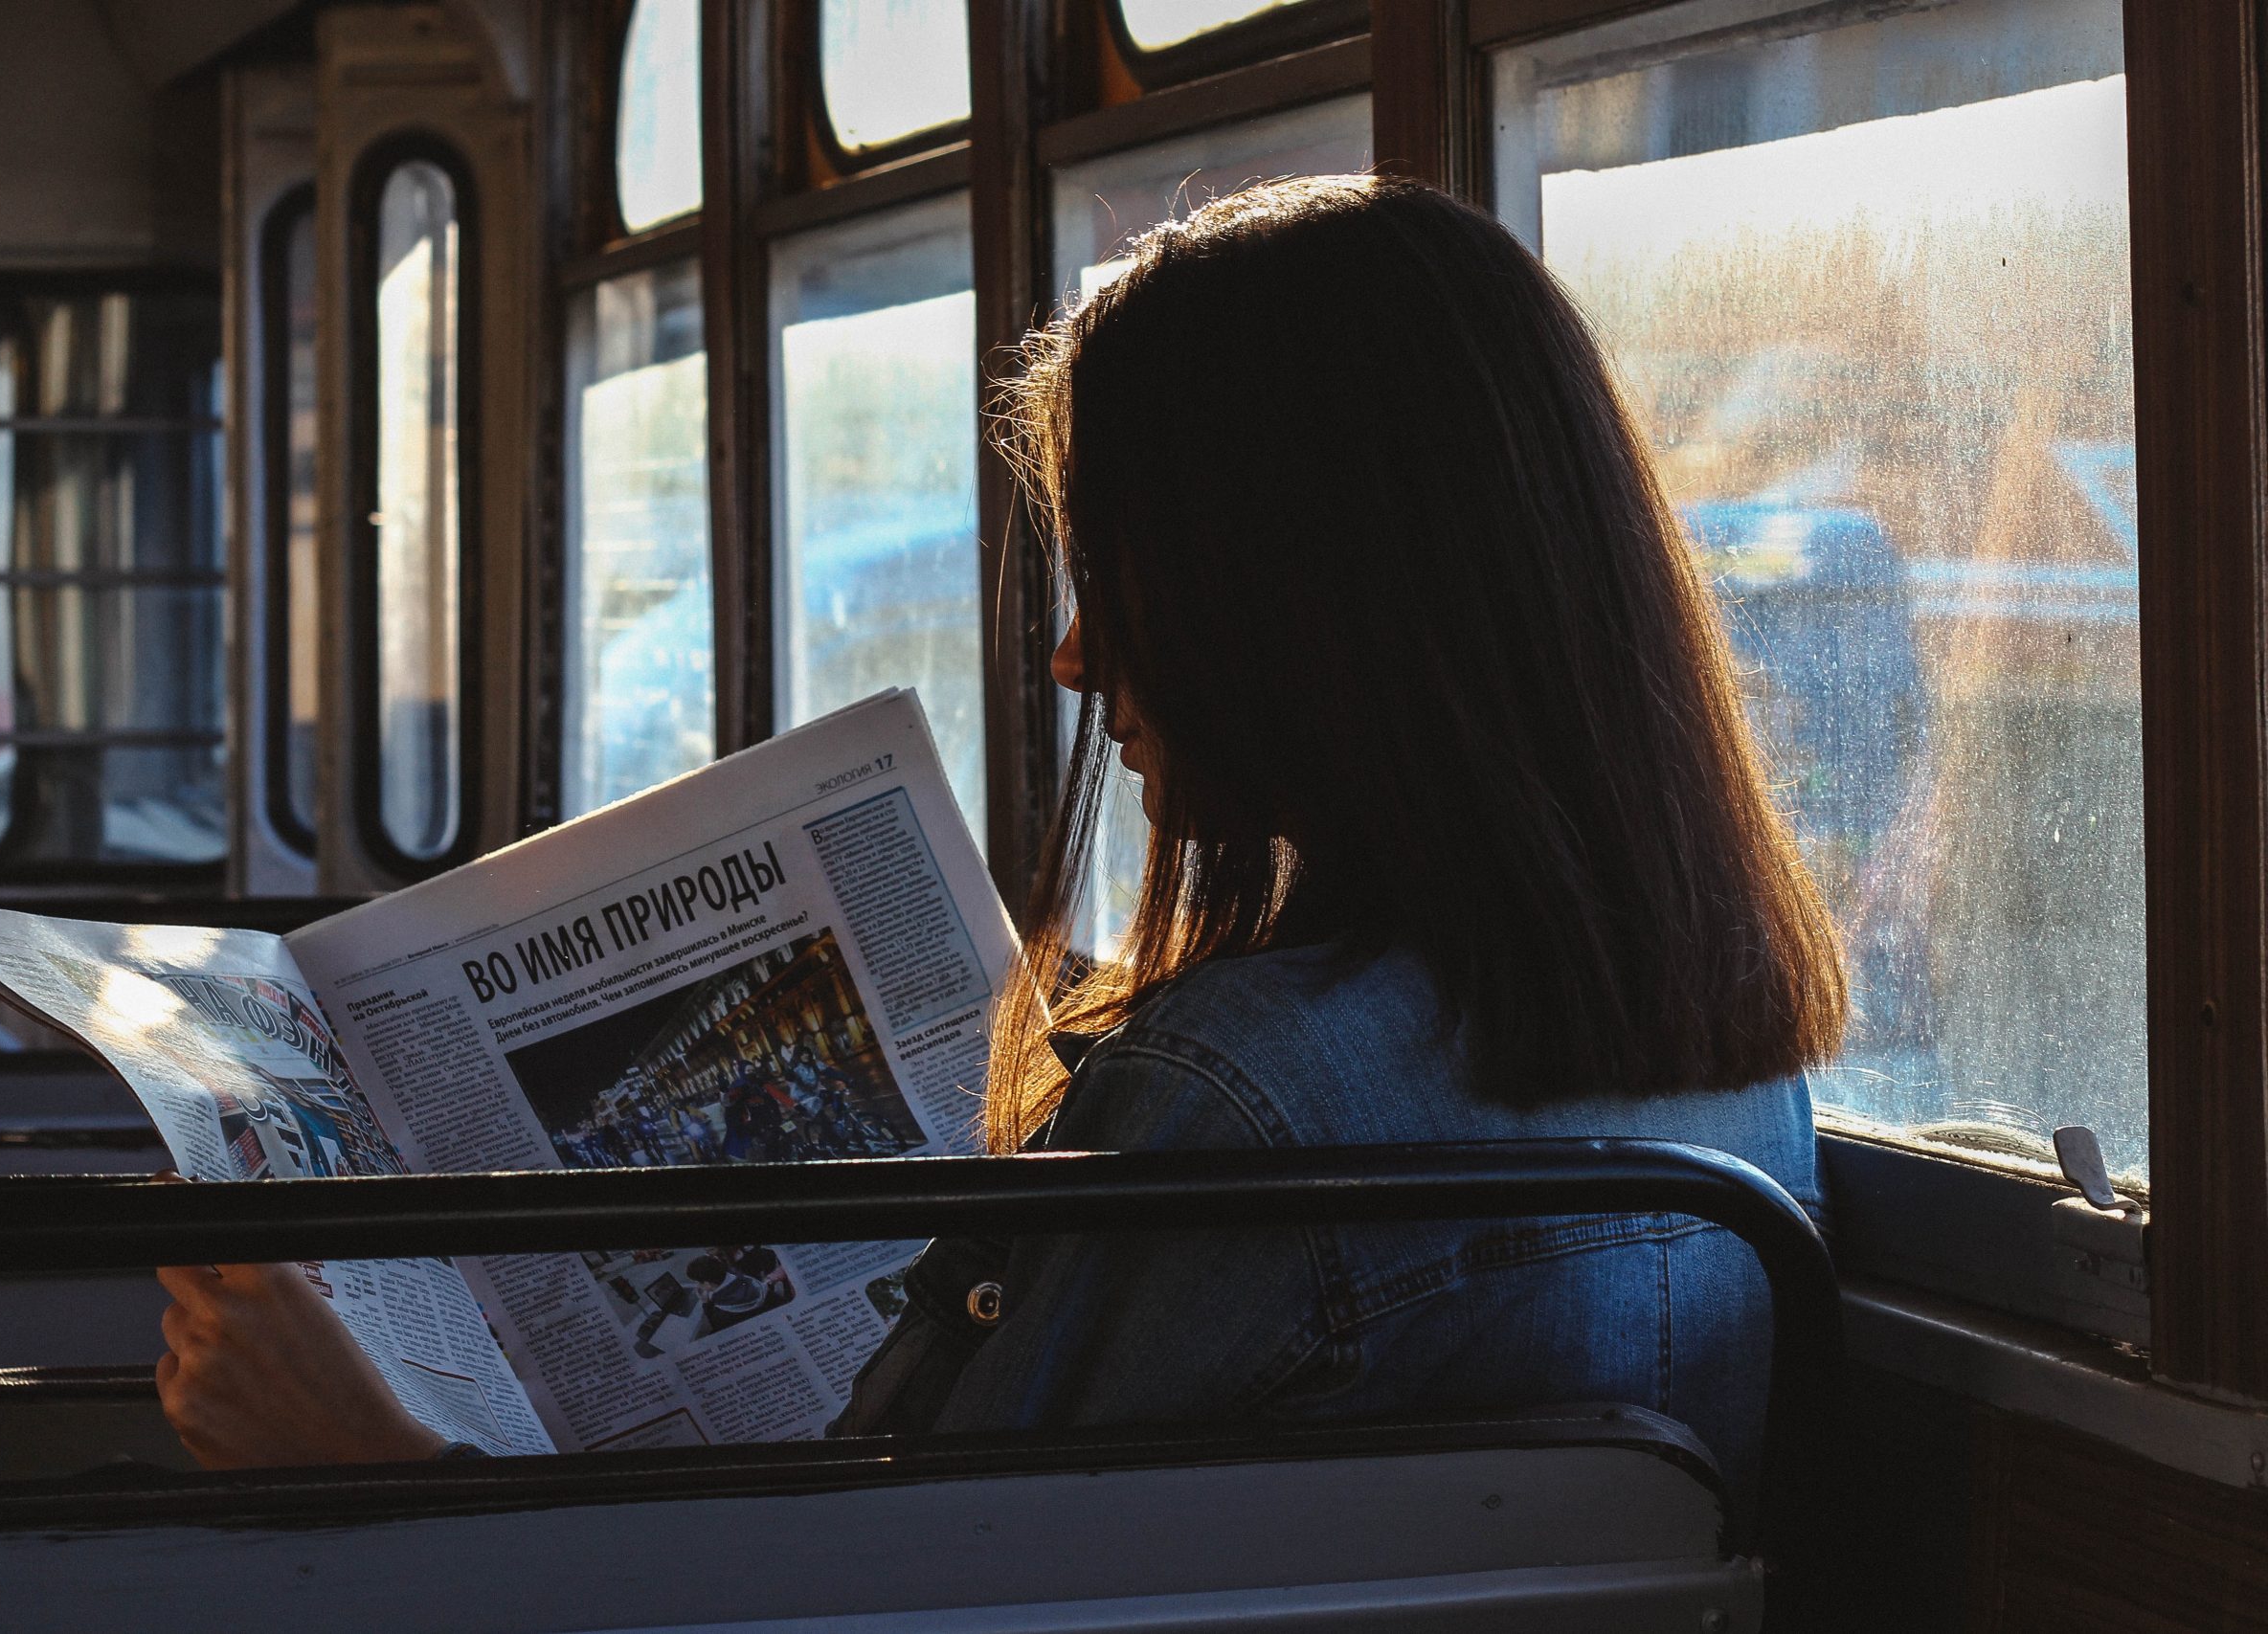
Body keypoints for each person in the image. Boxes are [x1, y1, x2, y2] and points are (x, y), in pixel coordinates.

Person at [147, 176, 1841, 1505]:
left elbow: (897, 1586)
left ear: (1301, 606)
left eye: (1122, 580)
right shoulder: (1736, 1070)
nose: (1076, 656)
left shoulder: (1240, 1106)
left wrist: (378, 1461)